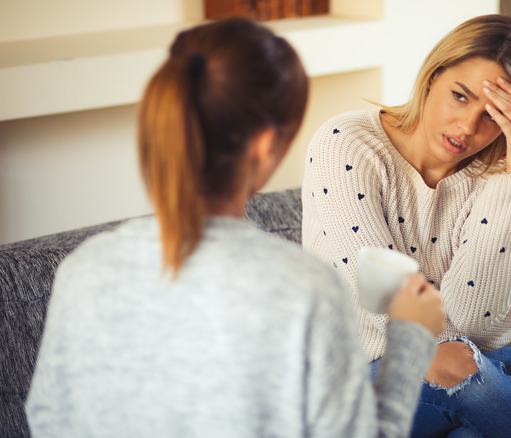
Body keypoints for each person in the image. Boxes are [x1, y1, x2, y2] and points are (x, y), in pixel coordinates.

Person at [25, 18, 445, 438]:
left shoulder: (84, 270)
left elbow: (47, 420)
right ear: (264, 148)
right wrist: (409, 338)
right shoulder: (304, 287)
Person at [302, 14, 511, 437]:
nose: (467, 127)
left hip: (451, 368)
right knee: (463, 360)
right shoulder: (345, 144)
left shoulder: (494, 181)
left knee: (482, 385)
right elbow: (385, 302)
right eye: (460, 96)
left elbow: (474, 316)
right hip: (354, 380)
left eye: (492, 116)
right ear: (432, 77)